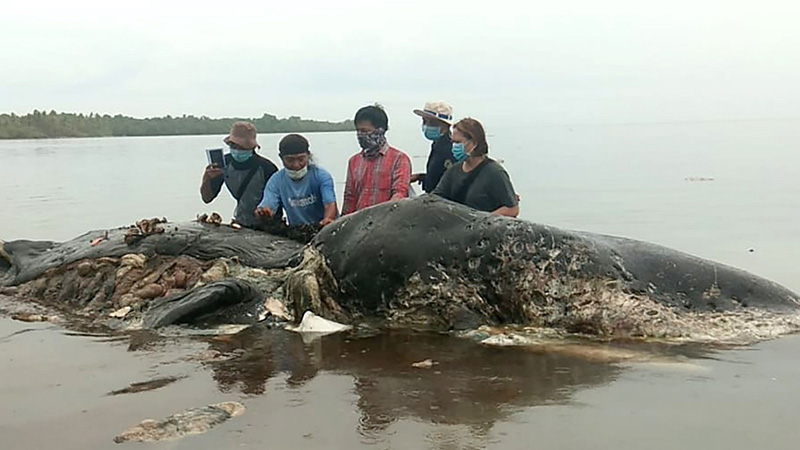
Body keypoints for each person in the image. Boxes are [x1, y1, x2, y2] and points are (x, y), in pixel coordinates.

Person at [432, 118, 519, 217]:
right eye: (453, 142)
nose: (454, 146)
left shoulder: (494, 173)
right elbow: (436, 198)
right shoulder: (453, 171)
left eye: (458, 142)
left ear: (474, 143)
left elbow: (512, 209)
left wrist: (483, 220)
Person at [200, 121, 279, 228]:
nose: (237, 150)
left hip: (268, 225)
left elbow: (277, 201)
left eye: (242, 147)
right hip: (240, 223)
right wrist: (206, 179)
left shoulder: (267, 168)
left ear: (252, 147)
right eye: (233, 145)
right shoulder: (223, 164)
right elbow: (207, 198)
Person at [254, 134, 338, 227]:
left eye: (301, 159)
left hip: (323, 227)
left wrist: (327, 220)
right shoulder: (276, 181)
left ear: (308, 155)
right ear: (281, 157)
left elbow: (329, 203)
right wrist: (264, 212)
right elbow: (268, 204)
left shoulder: (321, 176)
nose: (296, 165)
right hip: (297, 230)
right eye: (290, 160)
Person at [342, 104, 412, 215]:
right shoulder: (353, 162)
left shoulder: (399, 159)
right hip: (359, 221)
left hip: (387, 220)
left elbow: (400, 193)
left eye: (365, 131)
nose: (360, 135)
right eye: (358, 131)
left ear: (380, 131)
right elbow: (350, 198)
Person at [410, 101, 456, 193]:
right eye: (424, 121)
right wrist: (421, 177)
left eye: (430, 122)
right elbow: (437, 175)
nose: (425, 125)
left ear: (443, 125)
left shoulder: (449, 149)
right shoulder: (437, 144)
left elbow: (449, 181)